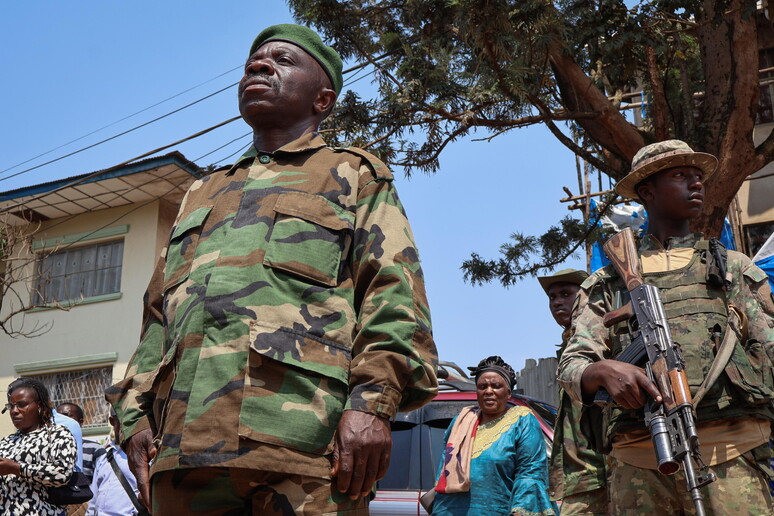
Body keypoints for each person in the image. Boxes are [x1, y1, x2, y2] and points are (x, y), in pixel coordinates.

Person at [106, 23, 437, 516]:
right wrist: (133, 418)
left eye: (283, 61)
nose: (258, 66)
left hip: (305, 452)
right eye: (252, 64)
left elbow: (394, 297)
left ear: (322, 99)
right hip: (182, 456)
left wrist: (372, 405)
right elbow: (158, 317)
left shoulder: (354, 174)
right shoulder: (201, 192)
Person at [558, 139, 774, 514]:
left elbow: (769, 351)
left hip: (731, 456)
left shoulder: (731, 268)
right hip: (641, 463)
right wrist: (602, 371)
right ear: (647, 192)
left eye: (697, 176)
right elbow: (571, 366)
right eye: (680, 175)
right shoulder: (608, 282)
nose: (696, 183)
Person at [431, 356, 556, 515]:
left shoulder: (522, 420)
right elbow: (444, 472)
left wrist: (521, 511)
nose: (488, 391)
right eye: (482, 386)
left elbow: (530, 472)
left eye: (496, 386)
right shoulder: (460, 422)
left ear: (508, 393)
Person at [539, 268, 611, 515]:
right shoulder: (568, 349)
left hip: (603, 475)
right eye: (552, 297)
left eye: (565, 294)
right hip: (579, 479)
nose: (557, 301)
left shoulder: (602, 343)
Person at [0, 378, 77, 516]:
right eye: (11, 406)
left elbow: (62, 473)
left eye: (22, 405)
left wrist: (16, 468)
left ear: (39, 406)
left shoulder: (57, 434)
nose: (14, 411)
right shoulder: (6, 442)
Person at [85, 409, 143, 516]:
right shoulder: (105, 454)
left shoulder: (143, 455)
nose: (127, 424)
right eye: (122, 419)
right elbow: (94, 496)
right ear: (112, 421)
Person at [57, 402, 105, 482]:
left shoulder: (94, 449)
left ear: (80, 422)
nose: (61, 421)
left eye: (66, 416)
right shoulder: (48, 448)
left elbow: (103, 479)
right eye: (58, 417)